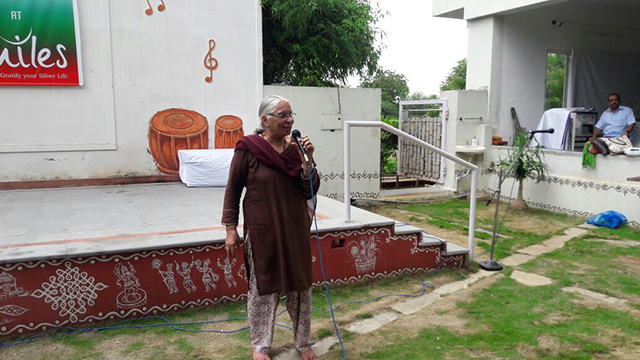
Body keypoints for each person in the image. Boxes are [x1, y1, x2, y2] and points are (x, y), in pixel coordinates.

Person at [222, 95, 320, 360]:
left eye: (291, 115)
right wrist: (231, 229)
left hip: (295, 229)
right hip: (263, 230)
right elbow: (233, 190)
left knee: (301, 288)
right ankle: (260, 346)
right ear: (265, 119)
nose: (289, 120)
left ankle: (303, 342)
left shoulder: (296, 149)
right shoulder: (248, 148)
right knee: (263, 287)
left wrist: (307, 159)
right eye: (283, 115)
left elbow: (310, 187)